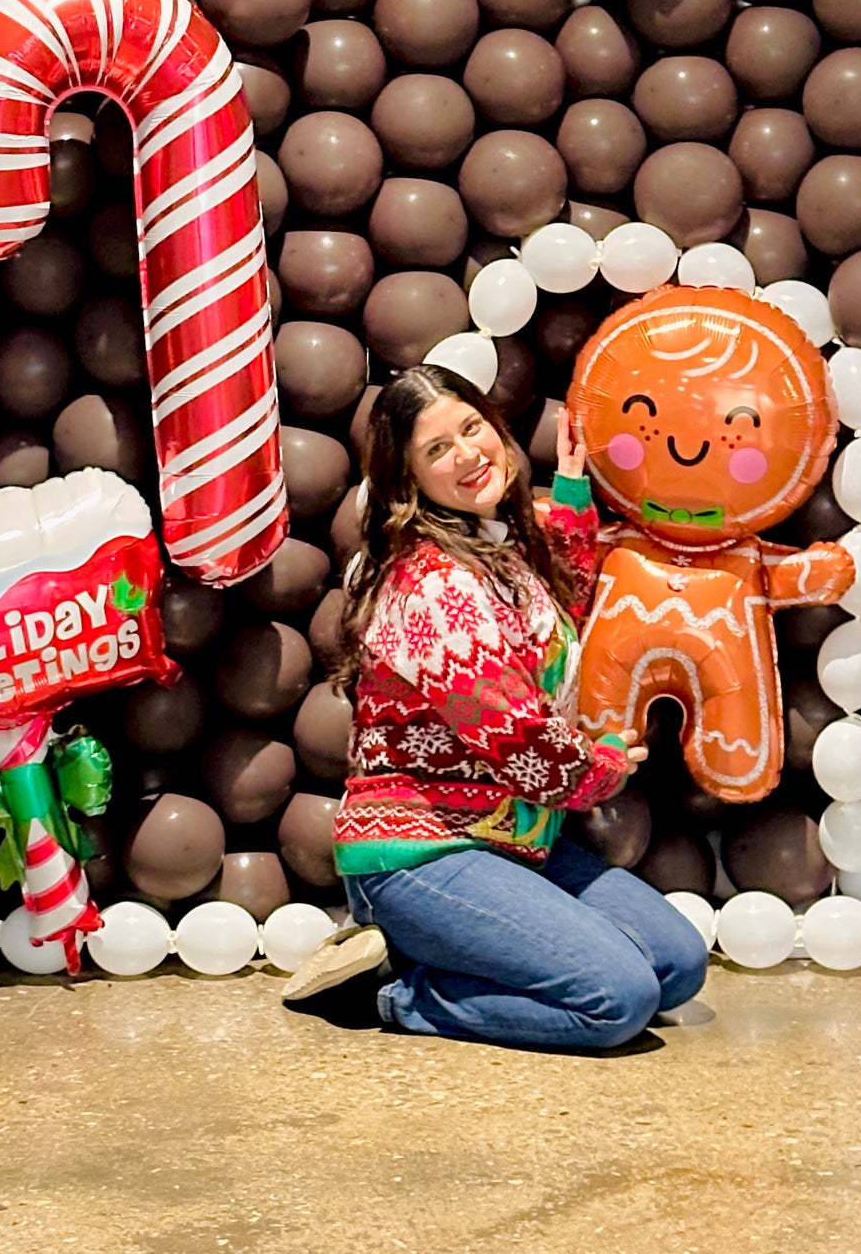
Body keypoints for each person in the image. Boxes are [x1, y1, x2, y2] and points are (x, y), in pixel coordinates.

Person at [280, 363, 708, 1048]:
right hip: (422, 855)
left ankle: (454, 958)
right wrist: (600, 770)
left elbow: (555, 603)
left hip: (508, 839)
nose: (467, 453)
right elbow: (520, 741)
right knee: (616, 1001)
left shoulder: (496, 549)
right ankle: (391, 989)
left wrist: (571, 490)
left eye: (471, 427)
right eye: (437, 448)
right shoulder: (433, 584)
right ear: (408, 478)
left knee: (677, 966)